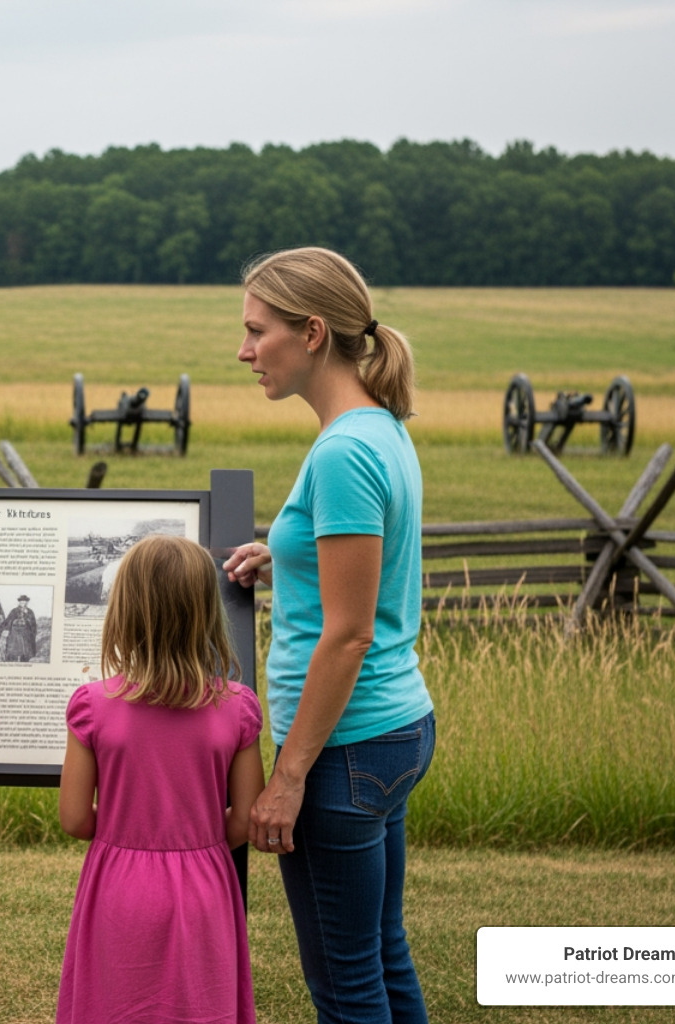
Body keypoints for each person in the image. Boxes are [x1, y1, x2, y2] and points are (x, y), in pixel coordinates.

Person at [223, 247, 436, 1023]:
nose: (244, 352)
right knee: (381, 953)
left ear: (312, 332)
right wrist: (283, 557)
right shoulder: (378, 430)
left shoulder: (343, 452)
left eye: (257, 331)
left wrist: (288, 778)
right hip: (393, 727)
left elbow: (347, 635)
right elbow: (359, 587)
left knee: (347, 986)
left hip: (344, 750)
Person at [57, 534, 265, 1024]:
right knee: (200, 1004)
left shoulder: (92, 705)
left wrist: (120, 828)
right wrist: (204, 837)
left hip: (118, 885)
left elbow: (73, 819)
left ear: (124, 611)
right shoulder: (237, 707)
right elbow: (245, 817)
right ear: (206, 612)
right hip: (205, 884)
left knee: (115, 1004)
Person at [0, 594, 37, 661]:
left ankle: (24, 658)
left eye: (25, 602)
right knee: (13, 649)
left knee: (25, 650)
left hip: (25, 632)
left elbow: (33, 623)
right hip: (15, 632)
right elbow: (9, 620)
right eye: (21, 602)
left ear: (27, 602)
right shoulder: (14, 611)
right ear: (19, 602)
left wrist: (27, 615)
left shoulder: (30, 612)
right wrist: (3, 626)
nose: (23, 603)